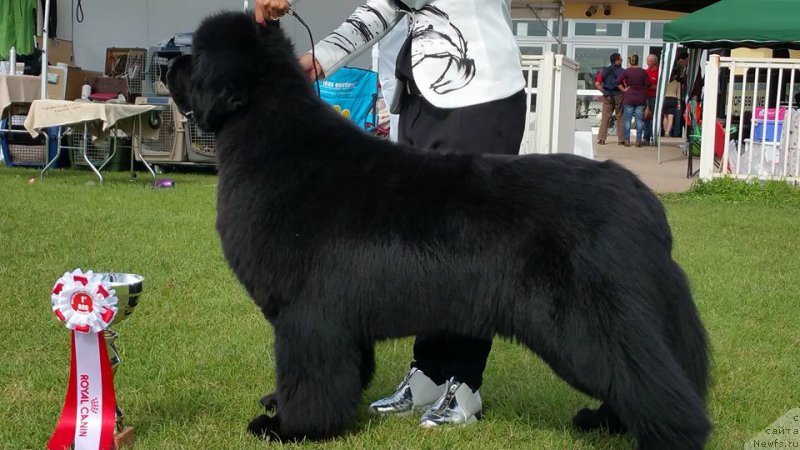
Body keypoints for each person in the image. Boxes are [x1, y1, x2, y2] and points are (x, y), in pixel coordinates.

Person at [254, 0, 526, 429]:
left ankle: (465, 382)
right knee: (423, 245)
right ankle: (430, 372)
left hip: (479, 94)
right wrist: (322, 58)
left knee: (469, 245)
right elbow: (382, 8)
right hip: (422, 99)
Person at [616, 54, 650, 147]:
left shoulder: (627, 71)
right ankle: (638, 140)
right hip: (640, 98)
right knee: (639, 121)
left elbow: (617, 82)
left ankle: (627, 140)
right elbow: (648, 84)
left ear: (630, 61)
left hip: (629, 97)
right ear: (638, 60)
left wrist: (624, 89)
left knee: (627, 121)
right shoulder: (643, 72)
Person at [594, 53, 624, 145]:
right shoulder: (622, 71)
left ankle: (602, 138)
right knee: (620, 116)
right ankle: (621, 140)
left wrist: (604, 91)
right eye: (620, 59)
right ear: (616, 60)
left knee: (605, 117)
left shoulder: (604, 70)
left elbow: (597, 84)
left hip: (607, 96)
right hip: (619, 94)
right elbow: (626, 84)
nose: (621, 61)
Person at [642, 54, 659, 145]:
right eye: (647, 60)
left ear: (654, 62)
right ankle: (646, 137)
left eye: (649, 61)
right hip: (645, 97)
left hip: (655, 97)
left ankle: (653, 137)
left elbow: (661, 86)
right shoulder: (645, 72)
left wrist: (652, 86)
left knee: (654, 118)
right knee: (646, 117)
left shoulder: (659, 72)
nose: (647, 62)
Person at [662, 67, 681, 140]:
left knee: (665, 117)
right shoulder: (678, 83)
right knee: (671, 117)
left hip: (665, 99)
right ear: (675, 75)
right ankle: (667, 133)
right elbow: (678, 94)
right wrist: (679, 104)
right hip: (673, 100)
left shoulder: (665, 82)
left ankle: (665, 132)